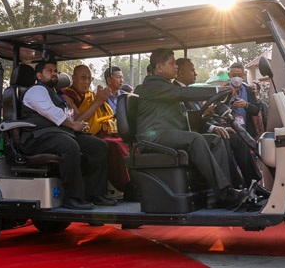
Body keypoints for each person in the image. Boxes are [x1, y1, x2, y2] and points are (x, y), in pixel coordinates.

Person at [136, 49, 247, 207]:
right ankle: (224, 193)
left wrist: (207, 118)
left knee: (214, 140)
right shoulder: (152, 85)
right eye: (172, 63)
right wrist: (215, 91)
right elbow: (181, 92)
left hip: (167, 133)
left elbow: (183, 116)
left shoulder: (165, 86)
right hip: (153, 137)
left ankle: (221, 191)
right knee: (195, 138)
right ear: (159, 67)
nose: (176, 66)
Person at [19, 59, 114, 210]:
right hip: (36, 137)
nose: (54, 74)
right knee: (70, 145)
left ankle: (96, 194)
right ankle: (72, 197)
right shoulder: (36, 90)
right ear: (39, 75)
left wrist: (78, 125)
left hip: (57, 133)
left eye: (56, 71)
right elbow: (50, 112)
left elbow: (67, 115)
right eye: (49, 71)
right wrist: (72, 125)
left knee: (99, 146)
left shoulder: (54, 93)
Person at [175, 57, 261, 189]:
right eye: (192, 70)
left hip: (208, 127)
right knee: (223, 138)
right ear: (181, 73)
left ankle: (253, 182)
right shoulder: (178, 92)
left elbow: (198, 115)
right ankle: (234, 186)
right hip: (193, 134)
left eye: (239, 75)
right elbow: (186, 119)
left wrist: (215, 123)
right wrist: (213, 127)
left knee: (238, 138)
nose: (196, 74)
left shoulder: (189, 93)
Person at [61, 65, 131, 193]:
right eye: (83, 78)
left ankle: (133, 183)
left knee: (127, 141)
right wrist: (98, 101)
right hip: (75, 134)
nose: (87, 82)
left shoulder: (90, 95)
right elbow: (77, 121)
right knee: (110, 145)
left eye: (89, 78)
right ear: (73, 78)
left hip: (96, 132)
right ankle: (123, 186)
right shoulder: (67, 95)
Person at [227, 62, 262, 139]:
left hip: (248, 132)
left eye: (239, 75)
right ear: (229, 75)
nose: (236, 78)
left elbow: (256, 110)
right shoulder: (224, 90)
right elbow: (217, 111)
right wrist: (231, 106)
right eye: (233, 75)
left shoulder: (249, 90)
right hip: (230, 132)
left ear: (244, 75)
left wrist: (246, 105)